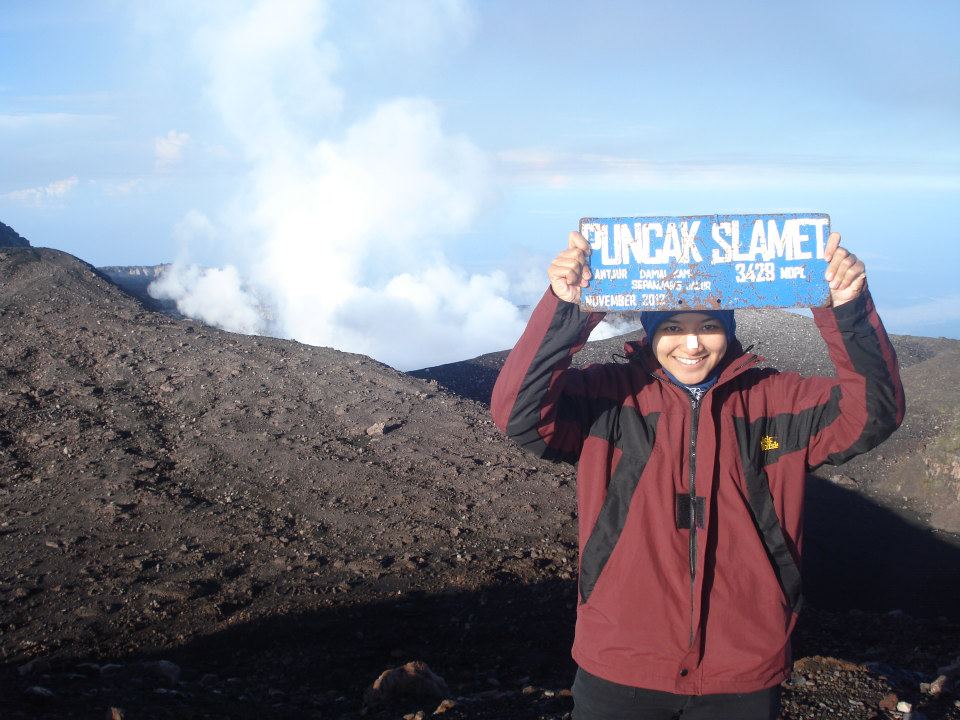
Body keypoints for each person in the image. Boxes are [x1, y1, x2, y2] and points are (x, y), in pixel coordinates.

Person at [490, 230, 904, 719]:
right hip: (622, 660)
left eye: (708, 325)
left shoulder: (774, 400)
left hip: (742, 664)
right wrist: (567, 309)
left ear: (729, 329)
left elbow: (871, 415)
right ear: (650, 331)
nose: (691, 344)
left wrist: (846, 310)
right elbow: (520, 414)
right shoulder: (609, 396)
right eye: (672, 327)